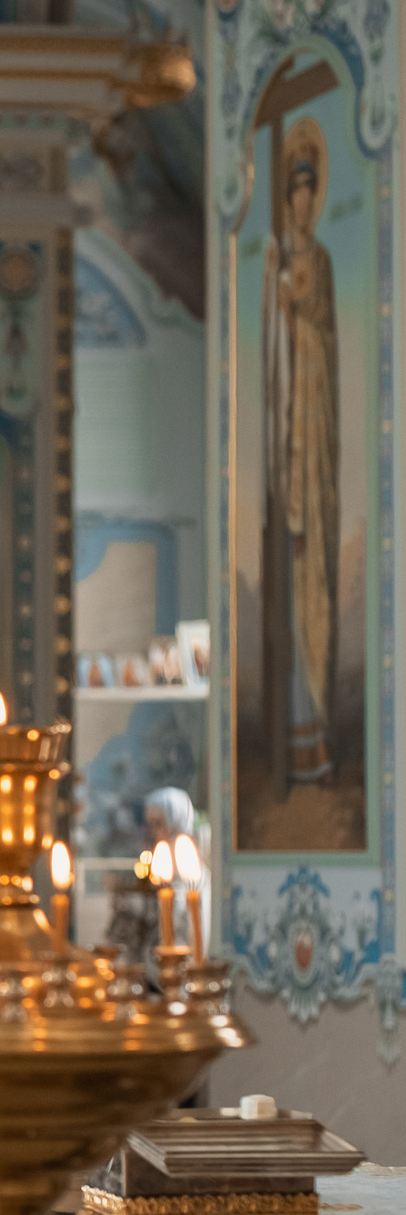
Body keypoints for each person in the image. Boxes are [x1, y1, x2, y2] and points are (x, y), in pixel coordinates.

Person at [262, 116, 340, 790]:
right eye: (295, 188)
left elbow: (326, 344)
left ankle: (314, 732)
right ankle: (290, 735)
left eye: (312, 188)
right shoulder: (270, 262)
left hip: (314, 443)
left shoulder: (324, 264)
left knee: (314, 582)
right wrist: (278, 309)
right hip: (283, 439)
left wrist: (300, 320)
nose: (304, 200)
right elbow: (267, 356)